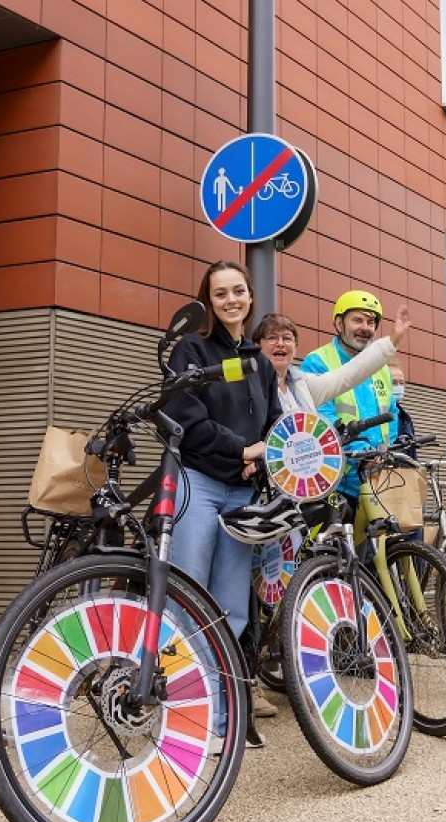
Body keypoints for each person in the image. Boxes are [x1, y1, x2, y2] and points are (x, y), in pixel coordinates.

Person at [165, 261, 282, 738]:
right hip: (199, 482)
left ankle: (214, 716)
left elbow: (274, 422)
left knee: (232, 609)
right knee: (186, 595)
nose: (231, 300)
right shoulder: (191, 349)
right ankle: (176, 710)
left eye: (238, 291)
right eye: (220, 293)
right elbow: (186, 417)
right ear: (208, 301)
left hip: (242, 494)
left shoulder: (259, 361)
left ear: (250, 296)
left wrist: (267, 454)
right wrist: (242, 447)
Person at [300, 290, 397, 503]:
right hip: (337, 482)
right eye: (357, 320)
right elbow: (322, 418)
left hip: (378, 479)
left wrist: (389, 449)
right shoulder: (318, 361)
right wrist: (363, 452)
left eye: (371, 322)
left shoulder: (382, 368)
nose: (365, 328)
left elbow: (392, 413)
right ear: (339, 323)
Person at [252, 306, 411, 414]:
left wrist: (392, 340)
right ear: (257, 345)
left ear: (296, 347)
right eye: (272, 338)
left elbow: (351, 373)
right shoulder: (248, 385)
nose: (280, 344)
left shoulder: (304, 385)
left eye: (287, 339)